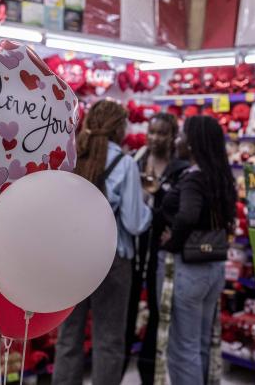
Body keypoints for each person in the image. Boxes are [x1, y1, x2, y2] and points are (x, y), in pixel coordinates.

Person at [52, 100, 152, 385]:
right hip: (112, 262)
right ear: (119, 128)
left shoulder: (71, 158)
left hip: (72, 260)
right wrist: (149, 209)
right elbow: (134, 222)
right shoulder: (125, 164)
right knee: (108, 339)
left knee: (68, 336)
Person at [157, 115, 236, 385]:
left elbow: (188, 215)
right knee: (202, 342)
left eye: (181, 136)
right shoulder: (220, 176)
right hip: (214, 267)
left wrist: (172, 241)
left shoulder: (192, 178)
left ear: (192, 144)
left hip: (189, 268)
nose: (177, 141)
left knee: (183, 348)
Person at [124, 113, 188, 384]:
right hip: (132, 246)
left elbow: (179, 211)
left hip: (160, 252)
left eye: (161, 133)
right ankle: (121, 363)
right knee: (126, 309)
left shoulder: (180, 168)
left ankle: (148, 370)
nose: (154, 138)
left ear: (173, 135)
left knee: (156, 311)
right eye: (151, 131)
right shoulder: (137, 159)